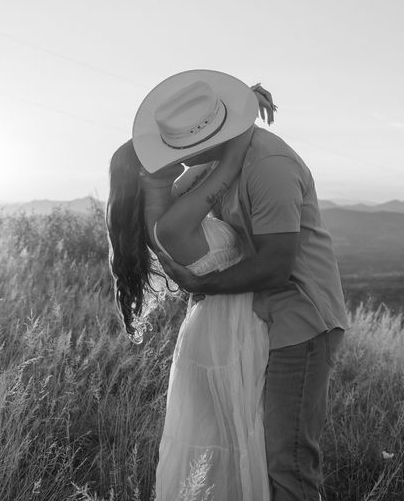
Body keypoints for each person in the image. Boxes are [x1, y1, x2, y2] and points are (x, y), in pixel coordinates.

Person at [131, 70, 350, 501]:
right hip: (251, 322)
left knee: (286, 463)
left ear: (207, 139)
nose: (175, 155)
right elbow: (170, 220)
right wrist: (237, 115)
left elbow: (274, 266)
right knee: (249, 452)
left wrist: (202, 283)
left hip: (299, 319)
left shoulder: (269, 167)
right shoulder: (214, 164)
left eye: (182, 145)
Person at [107, 74, 274, 499]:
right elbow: (228, 165)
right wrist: (245, 114)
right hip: (226, 331)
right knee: (229, 443)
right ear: (147, 170)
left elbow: (205, 164)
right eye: (157, 151)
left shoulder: (165, 198)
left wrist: (234, 105)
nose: (170, 150)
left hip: (221, 324)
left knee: (227, 442)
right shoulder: (169, 223)